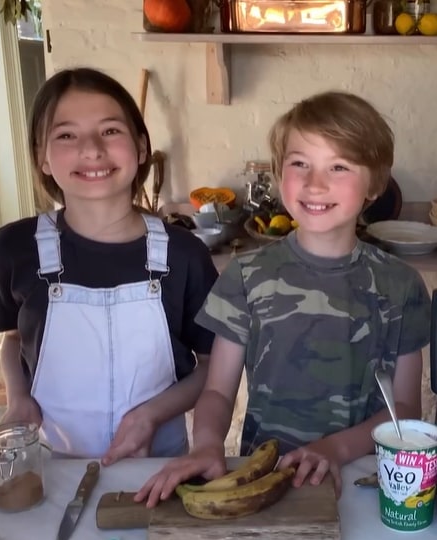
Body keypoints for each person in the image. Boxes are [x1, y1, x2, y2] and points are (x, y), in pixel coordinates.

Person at [136, 90, 431, 507]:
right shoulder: (246, 275)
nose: (315, 183)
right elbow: (218, 392)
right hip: (264, 479)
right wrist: (205, 444)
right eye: (299, 164)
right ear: (278, 174)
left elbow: (404, 409)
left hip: (365, 478)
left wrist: (335, 450)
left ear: (374, 185)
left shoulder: (401, 285)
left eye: (339, 166)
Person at [0, 67, 218, 466]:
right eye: (66, 135)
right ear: (42, 156)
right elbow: (15, 339)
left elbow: (210, 366)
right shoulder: (14, 247)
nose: (91, 149)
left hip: (155, 467)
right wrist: (18, 400)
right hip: (49, 464)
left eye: (110, 131)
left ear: (140, 148)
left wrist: (149, 415)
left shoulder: (184, 254)